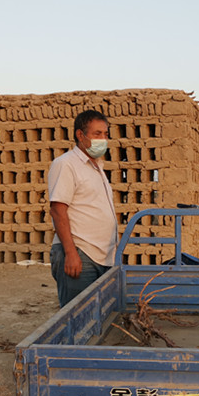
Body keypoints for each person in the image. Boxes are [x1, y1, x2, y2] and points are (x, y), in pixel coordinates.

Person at [48, 109, 118, 307]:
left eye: (105, 134)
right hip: (80, 254)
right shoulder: (66, 164)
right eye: (97, 134)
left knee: (97, 318)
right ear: (81, 135)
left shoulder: (97, 167)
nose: (103, 139)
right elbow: (57, 210)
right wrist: (71, 254)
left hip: (102, 256)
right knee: (79, 318)